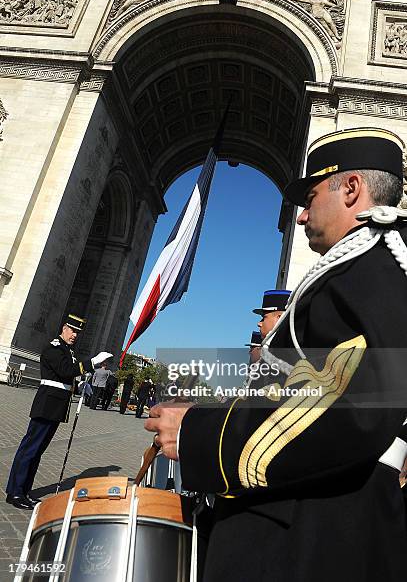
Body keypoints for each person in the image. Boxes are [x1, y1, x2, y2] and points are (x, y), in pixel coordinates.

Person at [146, 128, 407, 581]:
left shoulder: (375, 266)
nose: (301, 216)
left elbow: (357, 405)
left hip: (312, 533)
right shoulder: (365, 267)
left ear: (350, 189)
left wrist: (200, 436)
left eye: (310, 196)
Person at [6, 314, 112, 509]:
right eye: (72, 330)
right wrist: (92, 363)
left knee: (37, 451)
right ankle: (15, 492)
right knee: (29, 449)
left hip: (55, 407)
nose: (75, 335)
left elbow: (65, 376)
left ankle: (23, 491)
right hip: (47, 405)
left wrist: (79, 386)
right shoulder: (53, 348)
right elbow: (65, 370)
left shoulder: (67, 351)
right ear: (64, 328)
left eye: (78, 333)